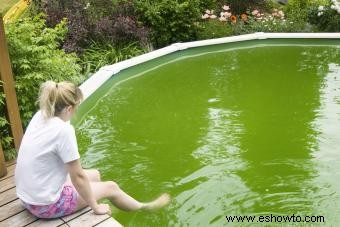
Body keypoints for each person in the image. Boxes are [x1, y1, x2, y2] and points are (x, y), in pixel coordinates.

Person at [15, 81, 170, 219]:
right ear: (69, 108)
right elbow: (78, 177)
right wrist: (95, 207)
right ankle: (144, 207)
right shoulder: (63, 131)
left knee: (95, 175)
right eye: (76, 107)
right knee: (111, 187)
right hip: (44, 206)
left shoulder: (41, 115)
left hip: (26, 197)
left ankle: (106, 201)